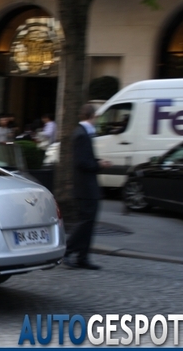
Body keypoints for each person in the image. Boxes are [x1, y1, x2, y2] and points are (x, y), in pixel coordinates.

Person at [63, 104, 111, 270]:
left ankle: (82, 257)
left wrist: (97, 162)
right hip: (85, 186)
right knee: (86, 220)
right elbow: (81, 162)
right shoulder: (82, 135)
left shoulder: (83, 133)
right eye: (97, 116)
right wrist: (99, 165)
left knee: (89, 221)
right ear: (93, 116)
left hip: (87, 186)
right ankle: (68, 250)